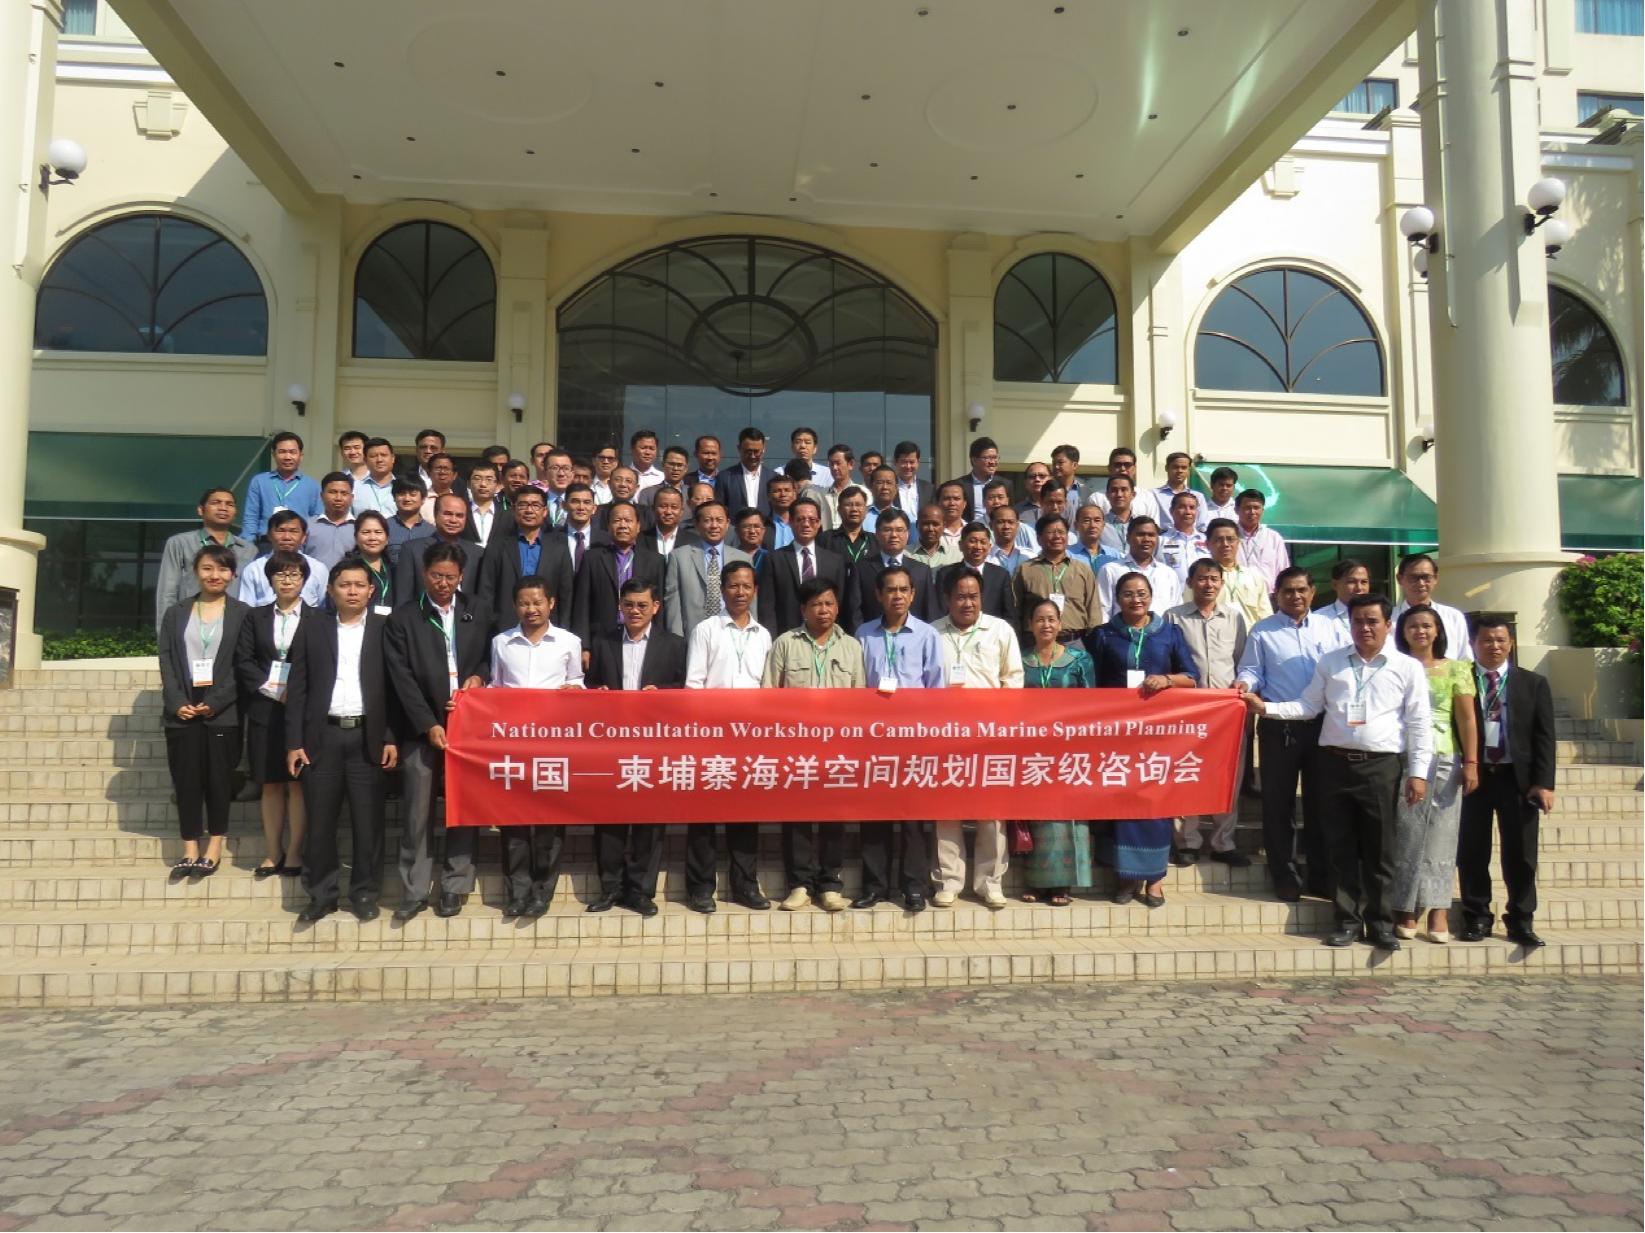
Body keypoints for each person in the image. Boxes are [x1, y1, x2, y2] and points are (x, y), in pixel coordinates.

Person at [1244, 595, 1432, 951]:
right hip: (1333, 763)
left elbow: (1419, 723)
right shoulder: (1331, 662)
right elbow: (1309, 705)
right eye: (1358, 621)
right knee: (1339, 846)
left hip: (1381, 766)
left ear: (1388, 625)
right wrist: (1266, 708)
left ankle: (1381, 924)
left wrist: (1418, 773)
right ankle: (1346, 921)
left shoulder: (1406, 667)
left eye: (1372, 621)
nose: (1365, 628)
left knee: (1380, 849)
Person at [284, 559, 400, 923]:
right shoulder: (312, 627)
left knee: (369, 824)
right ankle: (321, 895)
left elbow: (396, 688)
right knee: (320, 823)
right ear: (331, 590)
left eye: (359, 585)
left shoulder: (385, 628)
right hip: (322, 738)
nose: (352, 591)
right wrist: (294, 741)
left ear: (371, 590)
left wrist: (391, 736)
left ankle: (364, 893)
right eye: (344, 584)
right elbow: (297, 688)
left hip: (368, 738)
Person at [384, 543, 492, 920]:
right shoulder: (403, 618)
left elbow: (488, 657)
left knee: (462, 809)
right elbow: (401, 679)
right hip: (421, 728)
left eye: (450, 577)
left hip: (467, 728)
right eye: (436, 576)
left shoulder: (478, 610)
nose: (443, 583)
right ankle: (414, 889)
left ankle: (455, 884)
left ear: (461, 576)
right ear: (424, 574)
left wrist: (479, 677)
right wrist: (427, 723)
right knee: (417, 812)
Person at [1086, 572, 1200, 907]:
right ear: (1117, 598)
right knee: (1121, 804)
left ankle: (1155, 879)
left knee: (1155, 804)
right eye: (1127, 594)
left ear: (1150, 596)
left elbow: (1192, 677)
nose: (1135, 599)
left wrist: (1166, 680)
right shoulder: (1103, 635)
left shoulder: (1169, 633)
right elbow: (1089, 680)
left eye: (1141, 593)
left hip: (1158, 735)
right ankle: (1125, 878)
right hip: (1116, 735)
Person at [1234, 566, 1339, 900]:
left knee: (1321, 804)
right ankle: (1285, 875)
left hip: (1323, 726)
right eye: (1288, 591)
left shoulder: (1331, 628)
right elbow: (1252, 669)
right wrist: (1244, 684)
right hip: (1278, 726)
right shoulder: (1263, 631)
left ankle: (1321, 876)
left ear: (1313, 592)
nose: (1295, 596)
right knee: (1278, 805)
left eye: (1301, 590)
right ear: (1276, 595)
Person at [762, 578, 866, 911]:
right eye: (816, 604)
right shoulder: (785, 643)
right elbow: (769, 695)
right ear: (803, 609)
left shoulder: (851, 646)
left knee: (834, 815)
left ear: (837, 607)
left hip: (837, 747)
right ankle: (799, 885)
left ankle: (830, 884)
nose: (824, 610)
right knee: (797, 816)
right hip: (796, 747)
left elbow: (860, 699)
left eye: (829, 603)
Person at [585, 578, 687, 916]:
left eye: (642, 605)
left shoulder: (674, 645)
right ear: (620, 606)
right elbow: (591, 685)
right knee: (608, 818)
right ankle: (610, 888)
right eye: (628, 604)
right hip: (611, 744)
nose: (635, 611)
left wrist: (664, 695)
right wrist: (597, 694)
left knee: (650, 820)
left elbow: (684, 690)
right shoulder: (603, 642)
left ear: (656, 607)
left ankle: (641, 890)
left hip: (654, 744)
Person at [1457, 617, 1556, 949]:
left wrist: (1544, 782)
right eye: (1487, 640)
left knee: (1521, 854)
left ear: (1511, 643)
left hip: (1517, 778)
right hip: (1474, 776)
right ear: (1474, 644)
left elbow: (1545, 737)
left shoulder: (1533, 683)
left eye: (1500, 640)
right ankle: (1476, 916)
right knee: (1472, 850)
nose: (1494, 646)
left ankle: (1521, 919)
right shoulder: (1462, 679)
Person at [489, 576, 584, 918]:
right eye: (524, 603)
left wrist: (575, 690)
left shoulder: (569, 642)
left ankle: (542, 890)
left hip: (552, 745)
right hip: (513, 745)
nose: (531, 609)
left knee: (549, 821)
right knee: (513, 820)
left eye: (537, 602)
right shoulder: (502, 642)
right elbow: (495, 687)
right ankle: (518, 891)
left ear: (551, 603)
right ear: (515, 606)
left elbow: (577, 680)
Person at [683, 561, 772, 912]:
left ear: (755, 591)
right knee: (703, 817)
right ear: (721, 590)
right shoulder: (706, 630)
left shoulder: (764, 635)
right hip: (711, 737)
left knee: (745, 816)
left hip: (749, 740)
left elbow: (766, 689)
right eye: (733, 585)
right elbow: (693, 685)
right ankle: (700, 888)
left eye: (746, 586)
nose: (739, 592)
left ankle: (745, 885)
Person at [931, 566, 1023, 908]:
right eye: (960, 597)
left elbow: (1013, 680)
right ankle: (949, 881)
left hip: (989, 735)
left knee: (991, 811)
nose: (967, 603)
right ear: (947, 599)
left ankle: (990, 882)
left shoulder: (1000, 630)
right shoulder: (932, 633)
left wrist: (999, 724)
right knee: (946, 810)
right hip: (945, 736)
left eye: (973, 596)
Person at [854, 565, 943, 913]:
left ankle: (913, 887)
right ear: (879, 595)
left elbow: (936, 689)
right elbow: (858, 687)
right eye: (890, 590)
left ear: (913, 595)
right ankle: (874, 886)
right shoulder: (864, 634)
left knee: (913, 817)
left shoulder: (927, 635)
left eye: (904, 590)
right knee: (874, 815)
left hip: (914, 739)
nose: (897, 596)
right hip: (874, 739)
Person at [158, 544, 250, 880]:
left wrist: (217, 701)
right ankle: (189, 849)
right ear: (196, 572)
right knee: (186, 781)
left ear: (233, 575)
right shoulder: (177, 612)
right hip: (182, 709)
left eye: (223, 569)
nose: (215, 575)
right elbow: (167, 659)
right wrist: (176, 701)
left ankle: (214, 846)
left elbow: (244, 664)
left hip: (222, 710)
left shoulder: (243, 614)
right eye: (208, 568)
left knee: (219, 781)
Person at [1388, 604, 1479, 943]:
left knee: (1442, 833)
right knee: (1409, 832)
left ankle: (1439, 908)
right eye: (1413, 626)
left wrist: (1471, 762)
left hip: (1444, 755)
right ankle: (1406, 907)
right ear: (1403, 632)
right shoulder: (1395, 665)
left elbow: (1467, 718)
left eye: (1427, 625)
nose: (1420, 631)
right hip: (1404, 755)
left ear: (1438, 630)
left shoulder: (1456, 668)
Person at [1166, 560, 1249, 865]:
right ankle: (1187, 842)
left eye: (1214, 578)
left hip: (1226, 712)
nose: (1208, 584)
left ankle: (1223, 843)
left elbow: (1241, 661)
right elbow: (1170, 661)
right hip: (1188, 711)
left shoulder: (1234, 617)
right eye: (1202, 578)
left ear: (1222, 583)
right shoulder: (1173, 617)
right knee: (1186, 773)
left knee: (1228, 776)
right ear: (1190, 582)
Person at [234, 550, 310, 879]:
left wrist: (299, 693)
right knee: (271, 783)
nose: (287, 580)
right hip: (265, 709)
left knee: (298, 783)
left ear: (304, 580)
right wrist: (273, 690)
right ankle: (272, 851)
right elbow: (244, 660)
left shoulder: (318, 618)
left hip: (304, 711)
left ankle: (294, 852)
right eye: (280, 574)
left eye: (294, 574)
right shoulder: (255, 617)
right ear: (270, 580)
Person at [1018, 597, 1097, 905]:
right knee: (1037, 815)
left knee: (1066, 818)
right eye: (1039, 619)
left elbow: (1091, 705)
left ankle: (1063, 884)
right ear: (1030, 625)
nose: (1046, 625)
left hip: (1069, 751)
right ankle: (1037, 883)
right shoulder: (1021, 660)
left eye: (1051, 619)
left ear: (1060, 624)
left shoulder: (1079, 659)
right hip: (1033, 752)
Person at [570, 502, 666, 663]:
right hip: (602, 639)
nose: (622, 525)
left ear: (638, 526)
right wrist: (584, 646)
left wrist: (658, 643)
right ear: (608, 526)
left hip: (642, 637)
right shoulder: (592, 558)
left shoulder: (655, 561)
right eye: (616, 520)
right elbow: (582, 604)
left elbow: (660, 607)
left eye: (628, 521)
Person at [154, 487, 257, 634]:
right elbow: (167, 592)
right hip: (190, 625)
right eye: (216, 502)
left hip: (234, 628)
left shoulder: (248, 550)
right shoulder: (180, 543)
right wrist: (165, 635)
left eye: (229, 504)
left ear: (235, 512)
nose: (223, 508)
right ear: (201, 510)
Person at [757, 498, 852, 635]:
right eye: (800, 519)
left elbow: (840, 603)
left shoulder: (835, 561)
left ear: (819, 523)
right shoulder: (774, 559)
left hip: (826, 636)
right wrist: (772, 638)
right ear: (790, 522)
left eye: (812, 520)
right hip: (788, 636)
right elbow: (767, 605)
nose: (806, 524)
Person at [665, 501, 751, 637]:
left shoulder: (743, 558)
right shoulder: (679, 557)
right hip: (693, 634)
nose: (714, 525)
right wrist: (676, 639)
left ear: (727, 523)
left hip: (733, 634)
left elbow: (750, 603)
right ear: (696, 524)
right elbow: (673, 605)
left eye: (719, 520)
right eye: (707, 520)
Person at [1013, 514, 1098, 643]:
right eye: (1051, 532)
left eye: (1061, 532)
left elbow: (1093, 608)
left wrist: (1093, 639)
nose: (1057, 536)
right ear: (1039, 538)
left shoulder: (1083, 569)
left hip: (1074, 641)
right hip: (1035, 642)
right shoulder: (1025, 569)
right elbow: (1015, 609)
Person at [851, 507, 937, 626]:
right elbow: (854, 612)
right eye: (887, 530)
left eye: (899, 530)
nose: (894, 535)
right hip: (872, 634)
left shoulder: (922, 570)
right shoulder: (861, 569)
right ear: (877, 534)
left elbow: (930, 613)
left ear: (907, 534)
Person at [392, 494, 483, 604]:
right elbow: (403, 597)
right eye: (447, 514)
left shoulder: (477, 553)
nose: (453, 520)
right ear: (435, 514)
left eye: (459, 516)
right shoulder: (412, 550)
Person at [1095, 517, 1183, 622]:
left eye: (1151, 535)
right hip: (1122, 631)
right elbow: (1104, 611)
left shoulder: (1168, 574)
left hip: (1161, 632)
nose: (1146, 539)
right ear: (1128, 538)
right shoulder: (1110, 570)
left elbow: (1176, 612)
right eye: (1140, 534)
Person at [1392, 553, 1475, 663]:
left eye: (1426, 577)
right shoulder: (1388, 619)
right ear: (1399, 579)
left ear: (1435, 578)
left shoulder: (1453, 617)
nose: (1421, 583)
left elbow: (1465, 660)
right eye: (1413, 578)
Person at [243, 431, 322, 544]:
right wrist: (248, 545)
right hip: (266, 543)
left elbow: (317, 517)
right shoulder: (259, 481)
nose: (287, 457)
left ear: (301, 456)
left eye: (292, 452)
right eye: (282, 452)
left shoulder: (312, 485)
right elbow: (251, 516)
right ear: (274, 454)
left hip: (298, 544)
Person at [239, 511, 329, 608]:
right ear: (269, 535)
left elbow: (322, 607)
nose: (287, 537)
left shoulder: (318, 569)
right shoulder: (254, 570)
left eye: (294, 531)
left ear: (304, 537)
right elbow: (246, 608)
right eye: (280, 531)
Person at [939, 522, 1016, 625]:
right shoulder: (946, 574)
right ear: (961, 545)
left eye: (983, 542)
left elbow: (1009, 615)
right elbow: (941, 611)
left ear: (989, 547)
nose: (978, 546)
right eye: (972, 541)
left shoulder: (1001, 575)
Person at [1206, 518, 1271, 628]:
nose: (1225, 544)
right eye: (1219, 540)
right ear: (1207, 544)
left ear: (1238, 542)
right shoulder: (1201, 579)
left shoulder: (1253, 576)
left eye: (1230, 539)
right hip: (1214, 636)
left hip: (1249, 637)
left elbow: (1266, 616)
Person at [713, 427, 779, 516]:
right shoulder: (725, 477)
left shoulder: (773, 478)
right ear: (739, 448)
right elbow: (719, 510)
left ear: (764, 449)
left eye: (756, 451)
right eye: (748, 451)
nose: (752, 456)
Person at [1235, 489, 1290, 589]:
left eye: (1256, 508)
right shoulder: (1228, 536)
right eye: (1247, 508)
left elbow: (1283, 570)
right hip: (1236, 594)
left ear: (1262, 511)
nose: (1252, 512)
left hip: (1268, 595)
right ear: (1237, 510)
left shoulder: (1274, 538)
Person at [305, 472, 358, 570]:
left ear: (351, 498)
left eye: (344, 493)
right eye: (333, 492)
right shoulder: (307, 526)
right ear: (322, 496)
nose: (338, 498)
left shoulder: (360, 528)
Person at [1159, 491, 1209, 585]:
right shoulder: (1161, 540)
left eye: (1192, 508)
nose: (1188, 512)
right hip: (1173, 592)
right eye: (1182, 507)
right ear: (1171, 511)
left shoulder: (1207, 541)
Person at [1318, 558, 1371, 646]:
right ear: (1335, 584)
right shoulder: (1318, 619)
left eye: (1364, 582)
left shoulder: (1382, 617)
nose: (1359, 588)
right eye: (1351, 582)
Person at [822, 484, 874, 571]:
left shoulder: (875, 541)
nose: (854, 509)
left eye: (858, 505)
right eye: (848, 505)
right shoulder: (825, 540)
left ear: (866, 510)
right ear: (839, 509)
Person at [351, 512, 395, 613]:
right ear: (356, 538)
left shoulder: (394, 569)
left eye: (378, 532)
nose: (372, 538)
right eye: (366, 532)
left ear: (387, 538)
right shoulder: (347, 569)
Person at [951, 436, 1000, 520]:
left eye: (995, 458)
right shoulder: (960, 485)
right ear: (974, 460)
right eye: (987, 458)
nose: (992, 462)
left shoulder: (1005, 484)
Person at [386, 477, 434, 564]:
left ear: (423, 499)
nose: (407, 499)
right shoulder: (384, 527)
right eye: (402, 494)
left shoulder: (432, 532)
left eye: (413, 494)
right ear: (394, 497)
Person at [463, 461, 509, 549]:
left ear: (497, 484)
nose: (483, 484)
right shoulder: (460, 512)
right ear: (468, 483)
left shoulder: (508, 514)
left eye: (489, 479)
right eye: (477, 479)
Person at [350, 437, 398, 517]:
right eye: (373, 456)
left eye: (384, 455)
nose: (379, 460)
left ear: (393, 458)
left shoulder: (404, 488)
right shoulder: (354, 488)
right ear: (365, 460)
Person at [1154, 450, 1201, 529]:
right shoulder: (1153, 495)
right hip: (1162, 535)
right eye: (1175, 467)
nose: (1180, 471)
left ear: (1189, 470)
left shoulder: (1198, 496)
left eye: (1184, 468)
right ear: (1166, 468)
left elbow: (1202, 525)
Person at [637, 444, 691, 510]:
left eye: (679, 465)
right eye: (671, 464)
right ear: (663, 465)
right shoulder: (648, 493)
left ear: (686, 468)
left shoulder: (692, 493)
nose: (675, 468)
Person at [908, 504, 961, 571]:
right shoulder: (905, 554)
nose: (930, 529)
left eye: (935, 524)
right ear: (917, 525)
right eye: (925, 524)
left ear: (944, 526)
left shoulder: (957, 555)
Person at [645, 485, 695, 558]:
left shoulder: (694, 541)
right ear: (653, 509)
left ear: (681, 511)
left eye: (674, 507)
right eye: (663, 506)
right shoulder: (640, 540)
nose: (668, 512)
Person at [892, 440, 933, 521]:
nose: (908, 466)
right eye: (904, 462)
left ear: (918, 462)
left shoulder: (929, 489)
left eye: (912, 462)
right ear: (896, 462)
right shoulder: (889, 487)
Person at [418, 453, 463, 522]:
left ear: (454, 475)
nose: (442, 472)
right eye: (438, 469)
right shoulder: (419, 500)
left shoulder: (461, 502)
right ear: (429, 473)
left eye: (446, 469)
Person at [987, 505, 1028, 575]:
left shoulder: (1029, 556)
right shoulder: (985, 557)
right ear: (991, 525)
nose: (1006, 527)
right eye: (1000, 522)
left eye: (1011, 522)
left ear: (1017, 525)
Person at [763, 474, 797, 549]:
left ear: (794, 494)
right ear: (768, 496)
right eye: (777, 491)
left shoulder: (803, 523)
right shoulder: (762, 525)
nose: (783, 494)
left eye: (787, 490)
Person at [1049, 444, 1085, 510]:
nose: (1056, 466)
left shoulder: (1085, 491)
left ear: (1074, 465)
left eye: (1060, 462)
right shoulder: (1045, 489)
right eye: (1054, 463)